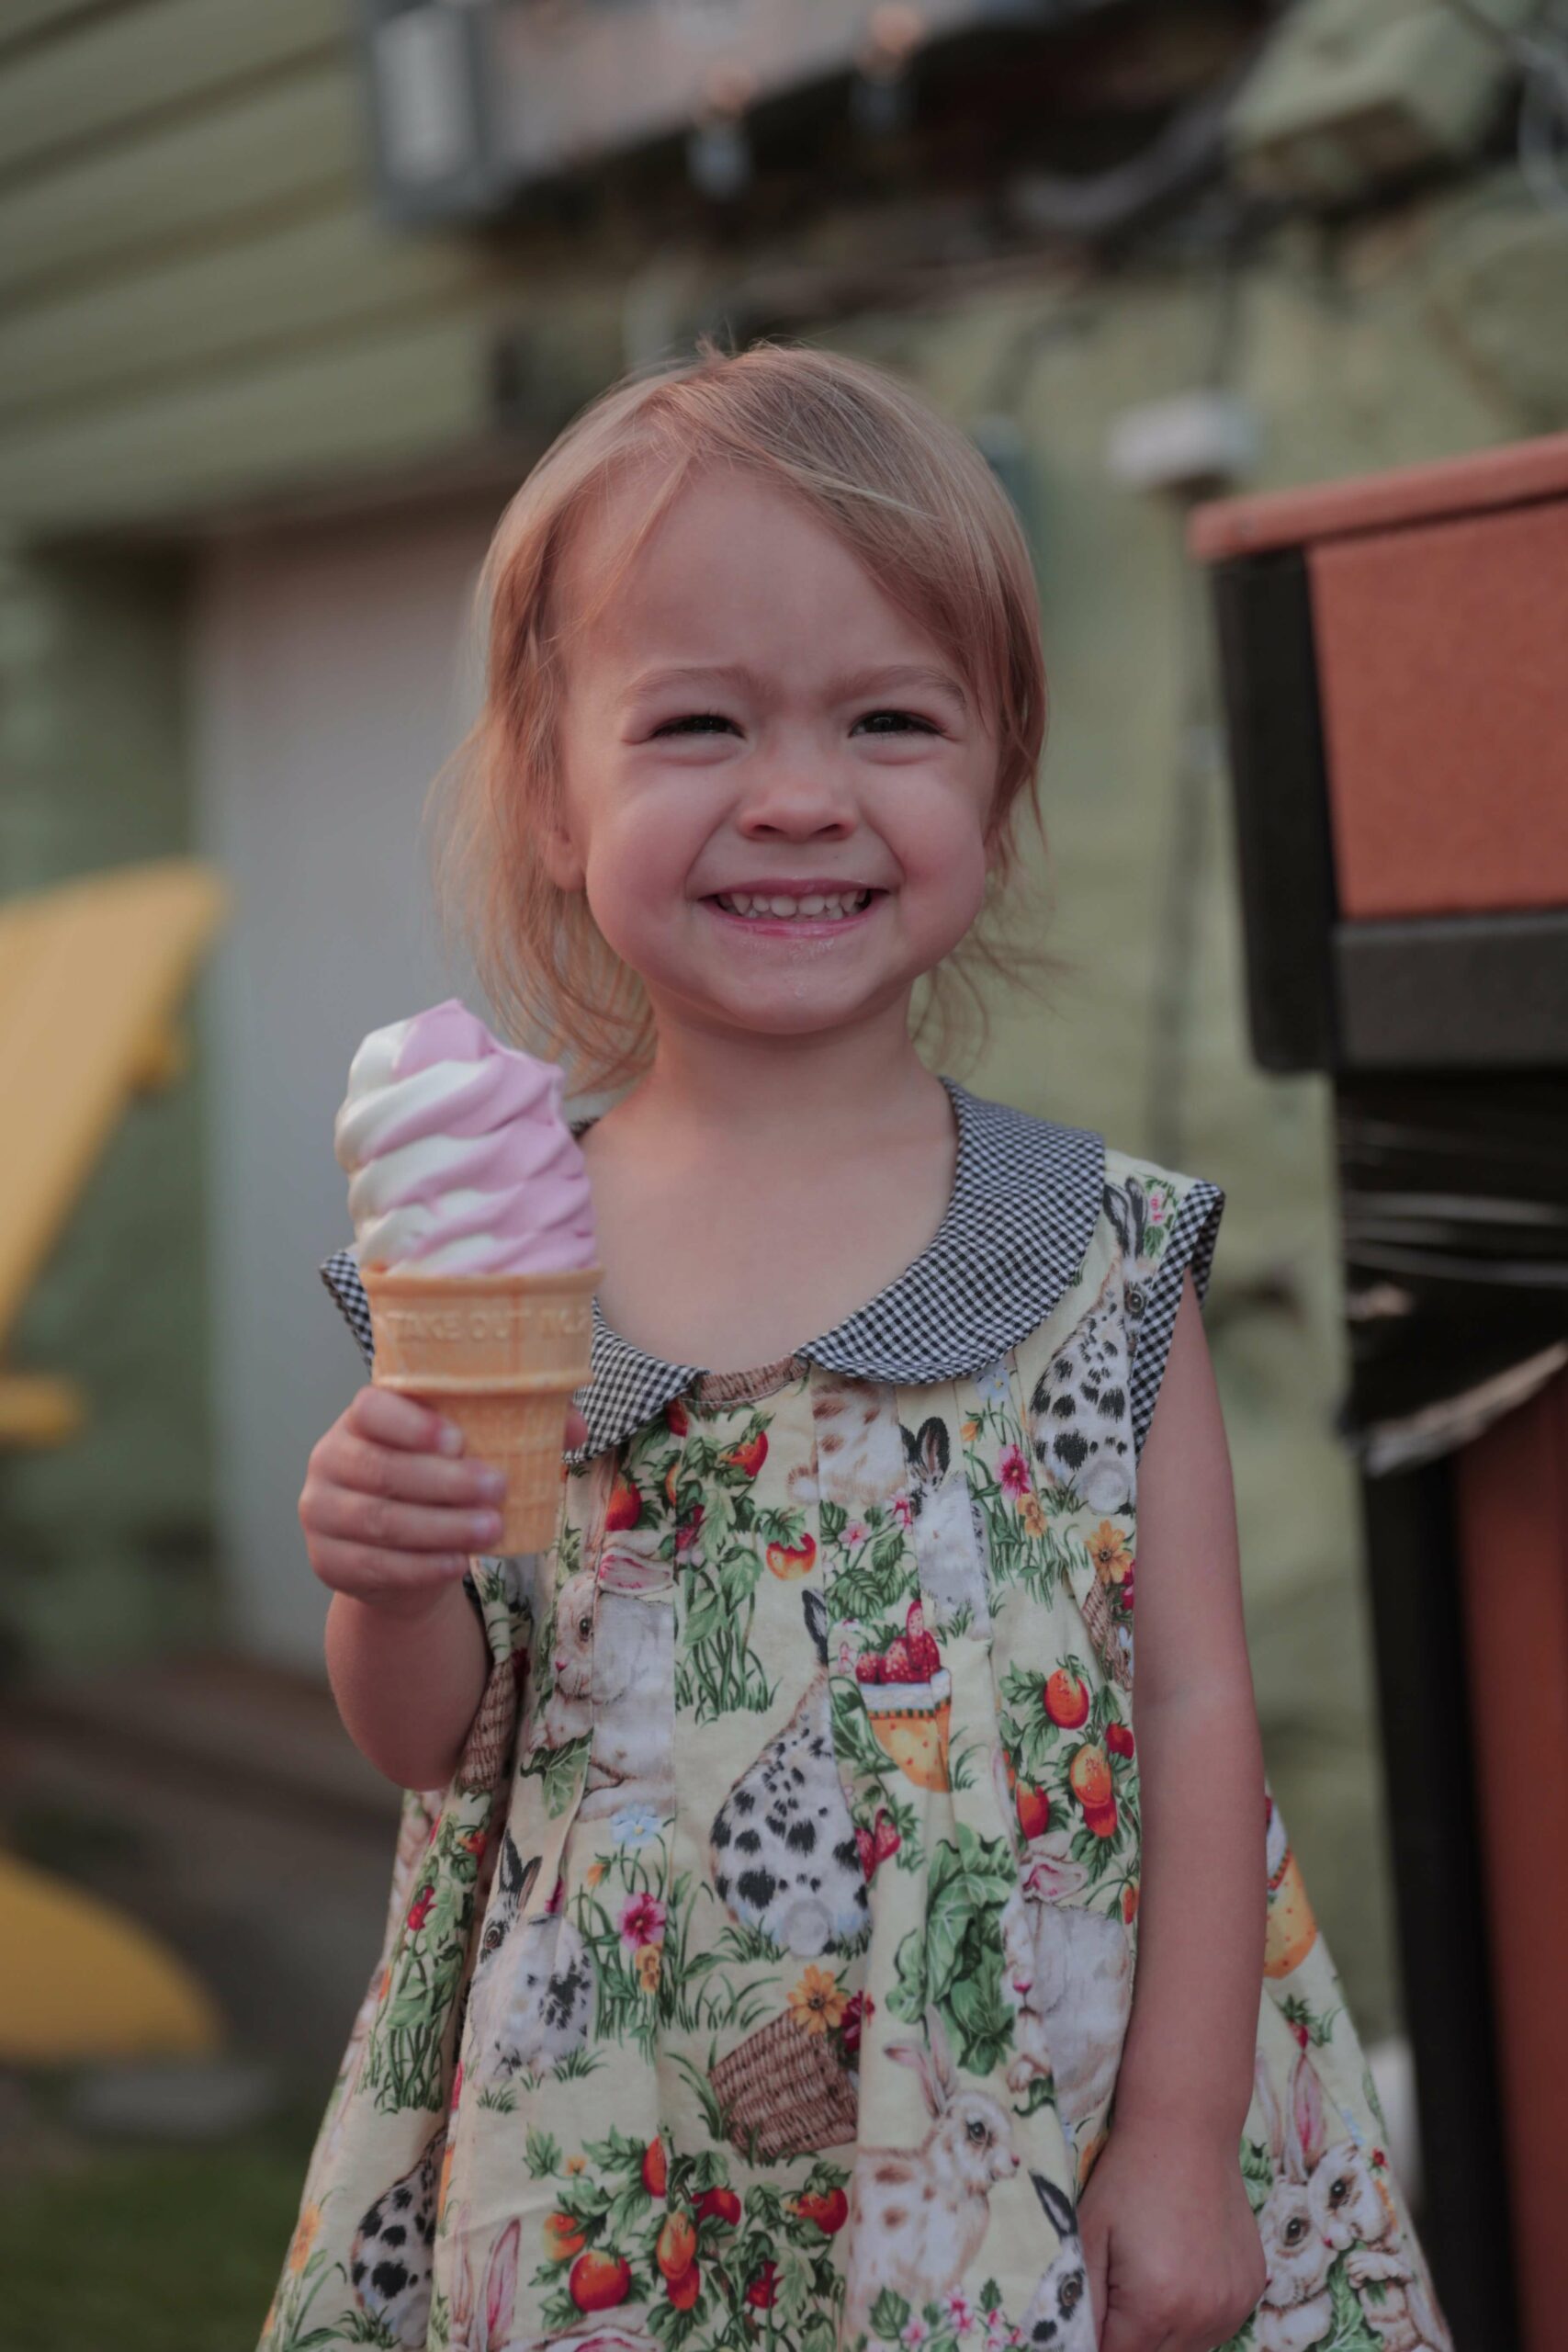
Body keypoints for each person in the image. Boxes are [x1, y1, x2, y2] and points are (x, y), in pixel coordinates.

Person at [261, 339, 1450, 2352]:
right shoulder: (493, 1263)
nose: (796, 793)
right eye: (697, 721)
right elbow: (437, 1742)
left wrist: (1177, 2142)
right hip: (598, 2149)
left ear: (994, 775)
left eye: (889, 718)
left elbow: (1189, 1711)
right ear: (556, 796)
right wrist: (381, 1576)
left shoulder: (1094, 1252)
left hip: (1021, 2139)